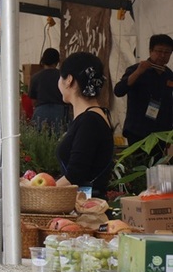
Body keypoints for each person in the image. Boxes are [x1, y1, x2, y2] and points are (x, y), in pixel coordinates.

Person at [56, 52, 115, 199]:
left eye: (60, 76)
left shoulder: (90, 120)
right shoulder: (93, 116)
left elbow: (75, 174)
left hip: (88, 208)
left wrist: (44, 191)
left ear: (69, 79)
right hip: (85, 204)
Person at [113, 34, 173, 145]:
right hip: (137, 130)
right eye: (159, 51)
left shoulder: (169, 74)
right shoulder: (136, 69)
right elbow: (119, 91)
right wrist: (138, 72)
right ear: (151, 51)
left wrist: (169, 134)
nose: (162, 55)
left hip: (160, 132)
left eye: (167, 52)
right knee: (138, 161)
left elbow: (169, 105)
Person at [29, 48, 66, 131]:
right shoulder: (63, 76)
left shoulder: (35, 77)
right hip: (59, 111)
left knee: (40, 139)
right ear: (57, 61)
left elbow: (33, 100)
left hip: (40, 111)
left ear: (43, 60)